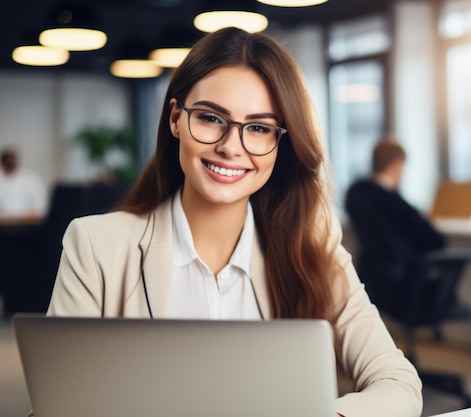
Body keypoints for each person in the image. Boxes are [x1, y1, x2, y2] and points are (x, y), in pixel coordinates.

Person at [46, 28, 422, 416]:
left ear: (282, 143)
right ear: (176, 119)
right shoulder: (96, 245)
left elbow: (398, 383)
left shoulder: (311, 247)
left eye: (258, 128)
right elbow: (59, 403)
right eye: (211, 118)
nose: (230, 146)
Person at [345, 139, 446, 288]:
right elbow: (435, 241)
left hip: (369, 277)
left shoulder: (356, 192)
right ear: (397, 164)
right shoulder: (392, 200)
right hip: (402, 281)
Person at [0, 148, 47, 221]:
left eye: (12, 161)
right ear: (2, 162)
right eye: (7, 161)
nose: (10, 163)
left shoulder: (31, 178)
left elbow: (40, 209)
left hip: (28, 224)